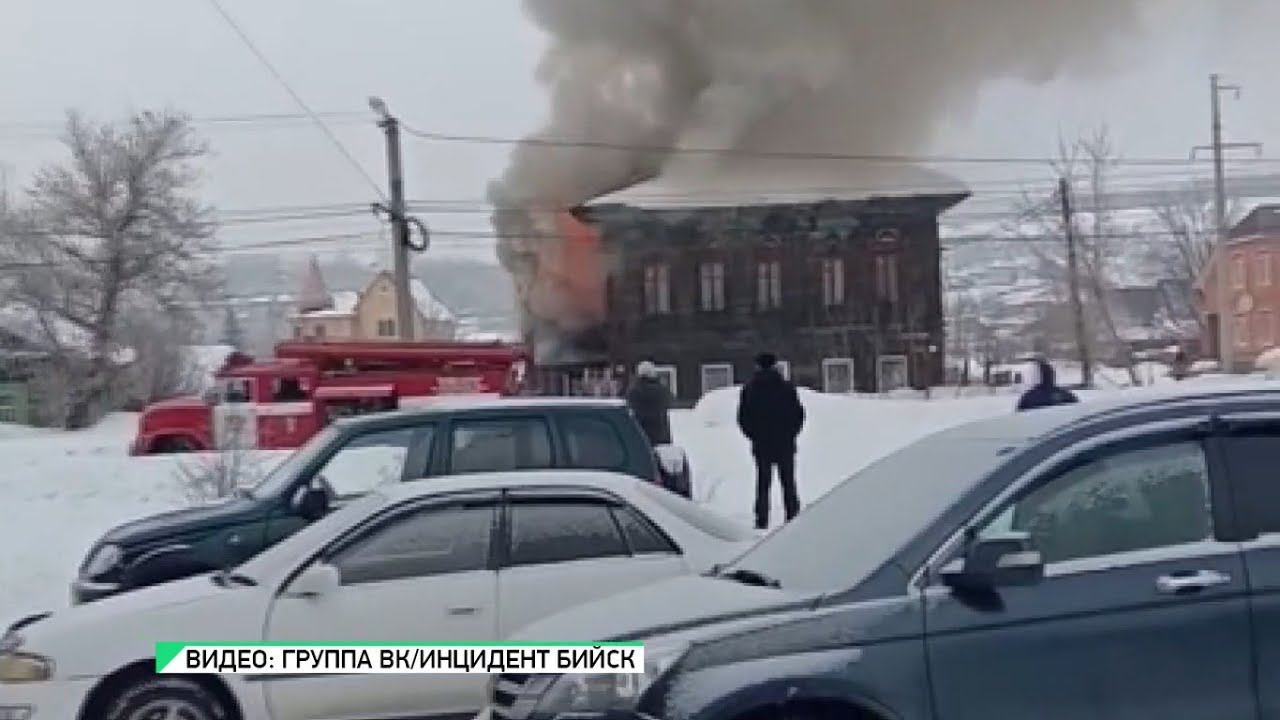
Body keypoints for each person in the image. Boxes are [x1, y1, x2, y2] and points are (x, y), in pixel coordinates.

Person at [737, 352, 805, 529]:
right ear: (775, 366)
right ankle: (792, 515)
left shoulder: (750, 389)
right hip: (785, 443)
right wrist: (791, 434)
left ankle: (761, 519)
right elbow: (798, 415)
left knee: (763, 483)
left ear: (757, 366)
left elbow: (743, 418)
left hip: (762, 444)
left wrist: (754, 436)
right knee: (788, 482)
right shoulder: (786, 388)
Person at [626, 361, 673, 447]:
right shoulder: (662, 390)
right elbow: (670, 403)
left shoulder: (634, 391)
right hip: (661, 436)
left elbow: (630, 407)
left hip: (640, 435)